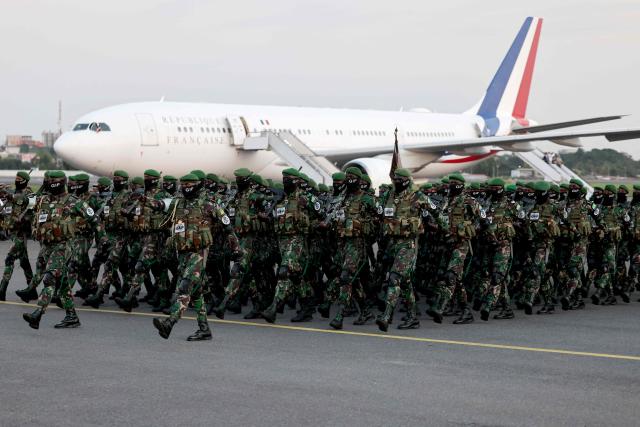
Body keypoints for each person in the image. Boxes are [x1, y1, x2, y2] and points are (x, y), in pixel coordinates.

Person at [152, 174, 241, 341]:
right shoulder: (178, 204)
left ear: (198, 185)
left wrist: (237, 250)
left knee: (185, 286)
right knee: (197, 293)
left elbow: (227, 227)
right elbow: (163, 219)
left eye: (189, 184)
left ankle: (169, 322)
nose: (186, 187)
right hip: (183, 253)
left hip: (199, 253)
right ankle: (204, 329)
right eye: (183, 184)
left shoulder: (209, 206)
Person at [22, 171, 102, 329]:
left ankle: (38, 313)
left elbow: (94, 219)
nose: (48, 183)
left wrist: (103, 238)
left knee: (49, 278)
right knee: (63, 283)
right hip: (46, 246)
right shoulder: (43, 200)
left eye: (50, 181)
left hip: (64, 246)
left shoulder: (73, 201)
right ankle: (72, 317)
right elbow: (29, 208)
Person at [0, 171, 34, 301]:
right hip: (13, 232)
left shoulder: (29, 195)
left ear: (25, 180)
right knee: (24, 262)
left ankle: (2, 290)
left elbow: (30, 209)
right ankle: (32, 291)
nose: (16, 180)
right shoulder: (15, 193)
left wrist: (6, 193)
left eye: (19, 179)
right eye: (16, 178)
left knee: (9, 259)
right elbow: (8, 207)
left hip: (21, 233)